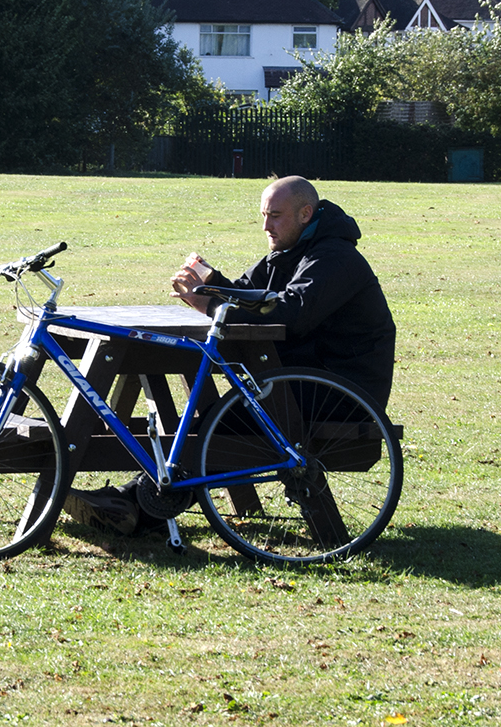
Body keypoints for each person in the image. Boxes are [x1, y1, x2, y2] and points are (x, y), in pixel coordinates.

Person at [63, 176, 397, 536]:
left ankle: (134, 506)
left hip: (337, 395)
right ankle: (135, 504)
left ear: (305, 213)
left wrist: (210, 303)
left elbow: (291, 315)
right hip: (297, 384)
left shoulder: (335, 257)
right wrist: (209, 283)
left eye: (276, 215)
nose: (267, 226)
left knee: (212, 427)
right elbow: (247, 293)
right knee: (209, 421)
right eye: (264, 215)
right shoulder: (290, 250)